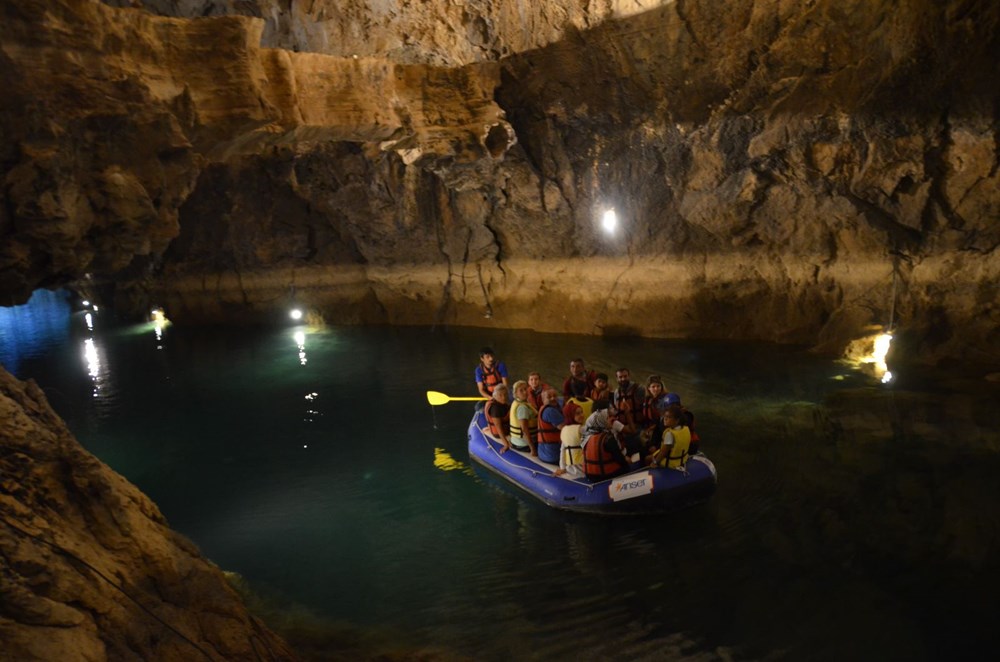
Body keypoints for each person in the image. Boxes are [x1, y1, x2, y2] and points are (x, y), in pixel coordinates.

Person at [581, 407, 631, 481]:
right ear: (601, 421)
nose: (612, 420)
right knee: (628, 465)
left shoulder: (586, 438)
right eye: (608, 418)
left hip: (590, 476)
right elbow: (620, 460)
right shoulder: (608, 438)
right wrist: (627, 461)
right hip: (605, 475)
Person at [610, 367, 645, 455]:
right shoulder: (617, 392)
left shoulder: (639, 389)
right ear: (617, 379)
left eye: (625, 376)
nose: (623, 379)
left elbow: (645, 405)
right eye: (620, 377)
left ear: (629, 376)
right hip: (624, 429)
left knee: (637, 450)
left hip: (638, 427)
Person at [648, 404, 692, 469]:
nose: (665, 419)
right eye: (665, 416)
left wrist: (655, 462)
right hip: (682, 460)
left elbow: (663, 452)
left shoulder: (670, 434)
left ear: (677, 420)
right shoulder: (685, 428)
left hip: (670, 464)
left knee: (647, 459)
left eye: (669, 417)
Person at [553, 404, 585, 477]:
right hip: (582, 469)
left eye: (581, 412)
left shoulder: (564, 430)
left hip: (569, 469)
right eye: (578, 414)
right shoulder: (581, 429)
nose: (581, 415)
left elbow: (562, 451)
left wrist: (562, 467)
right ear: (570, 415)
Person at [535, 387, 564, 464]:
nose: (553, 398)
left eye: (555, 396)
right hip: (552, 454)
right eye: (549, 397)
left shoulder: (545, 408)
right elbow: (564, 428)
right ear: (543, 400)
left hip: (544, 451)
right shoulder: (550, 411)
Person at [509, 380, 538, 455]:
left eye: (525, 389)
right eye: (521, 390)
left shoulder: (516, 402)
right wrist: (532, 449)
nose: (525, 392)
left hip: (517, 441)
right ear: (516, 393)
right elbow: (524, 429)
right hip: (524, 445)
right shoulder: (522, 408)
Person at [485, 384, 513, 453]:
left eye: (505, 394)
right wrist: (506, 444)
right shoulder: (495, 409)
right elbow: (498, 428)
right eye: (500, 395)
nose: (503, 397)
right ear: (495, 396)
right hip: (499, 434)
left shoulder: (501, 403)